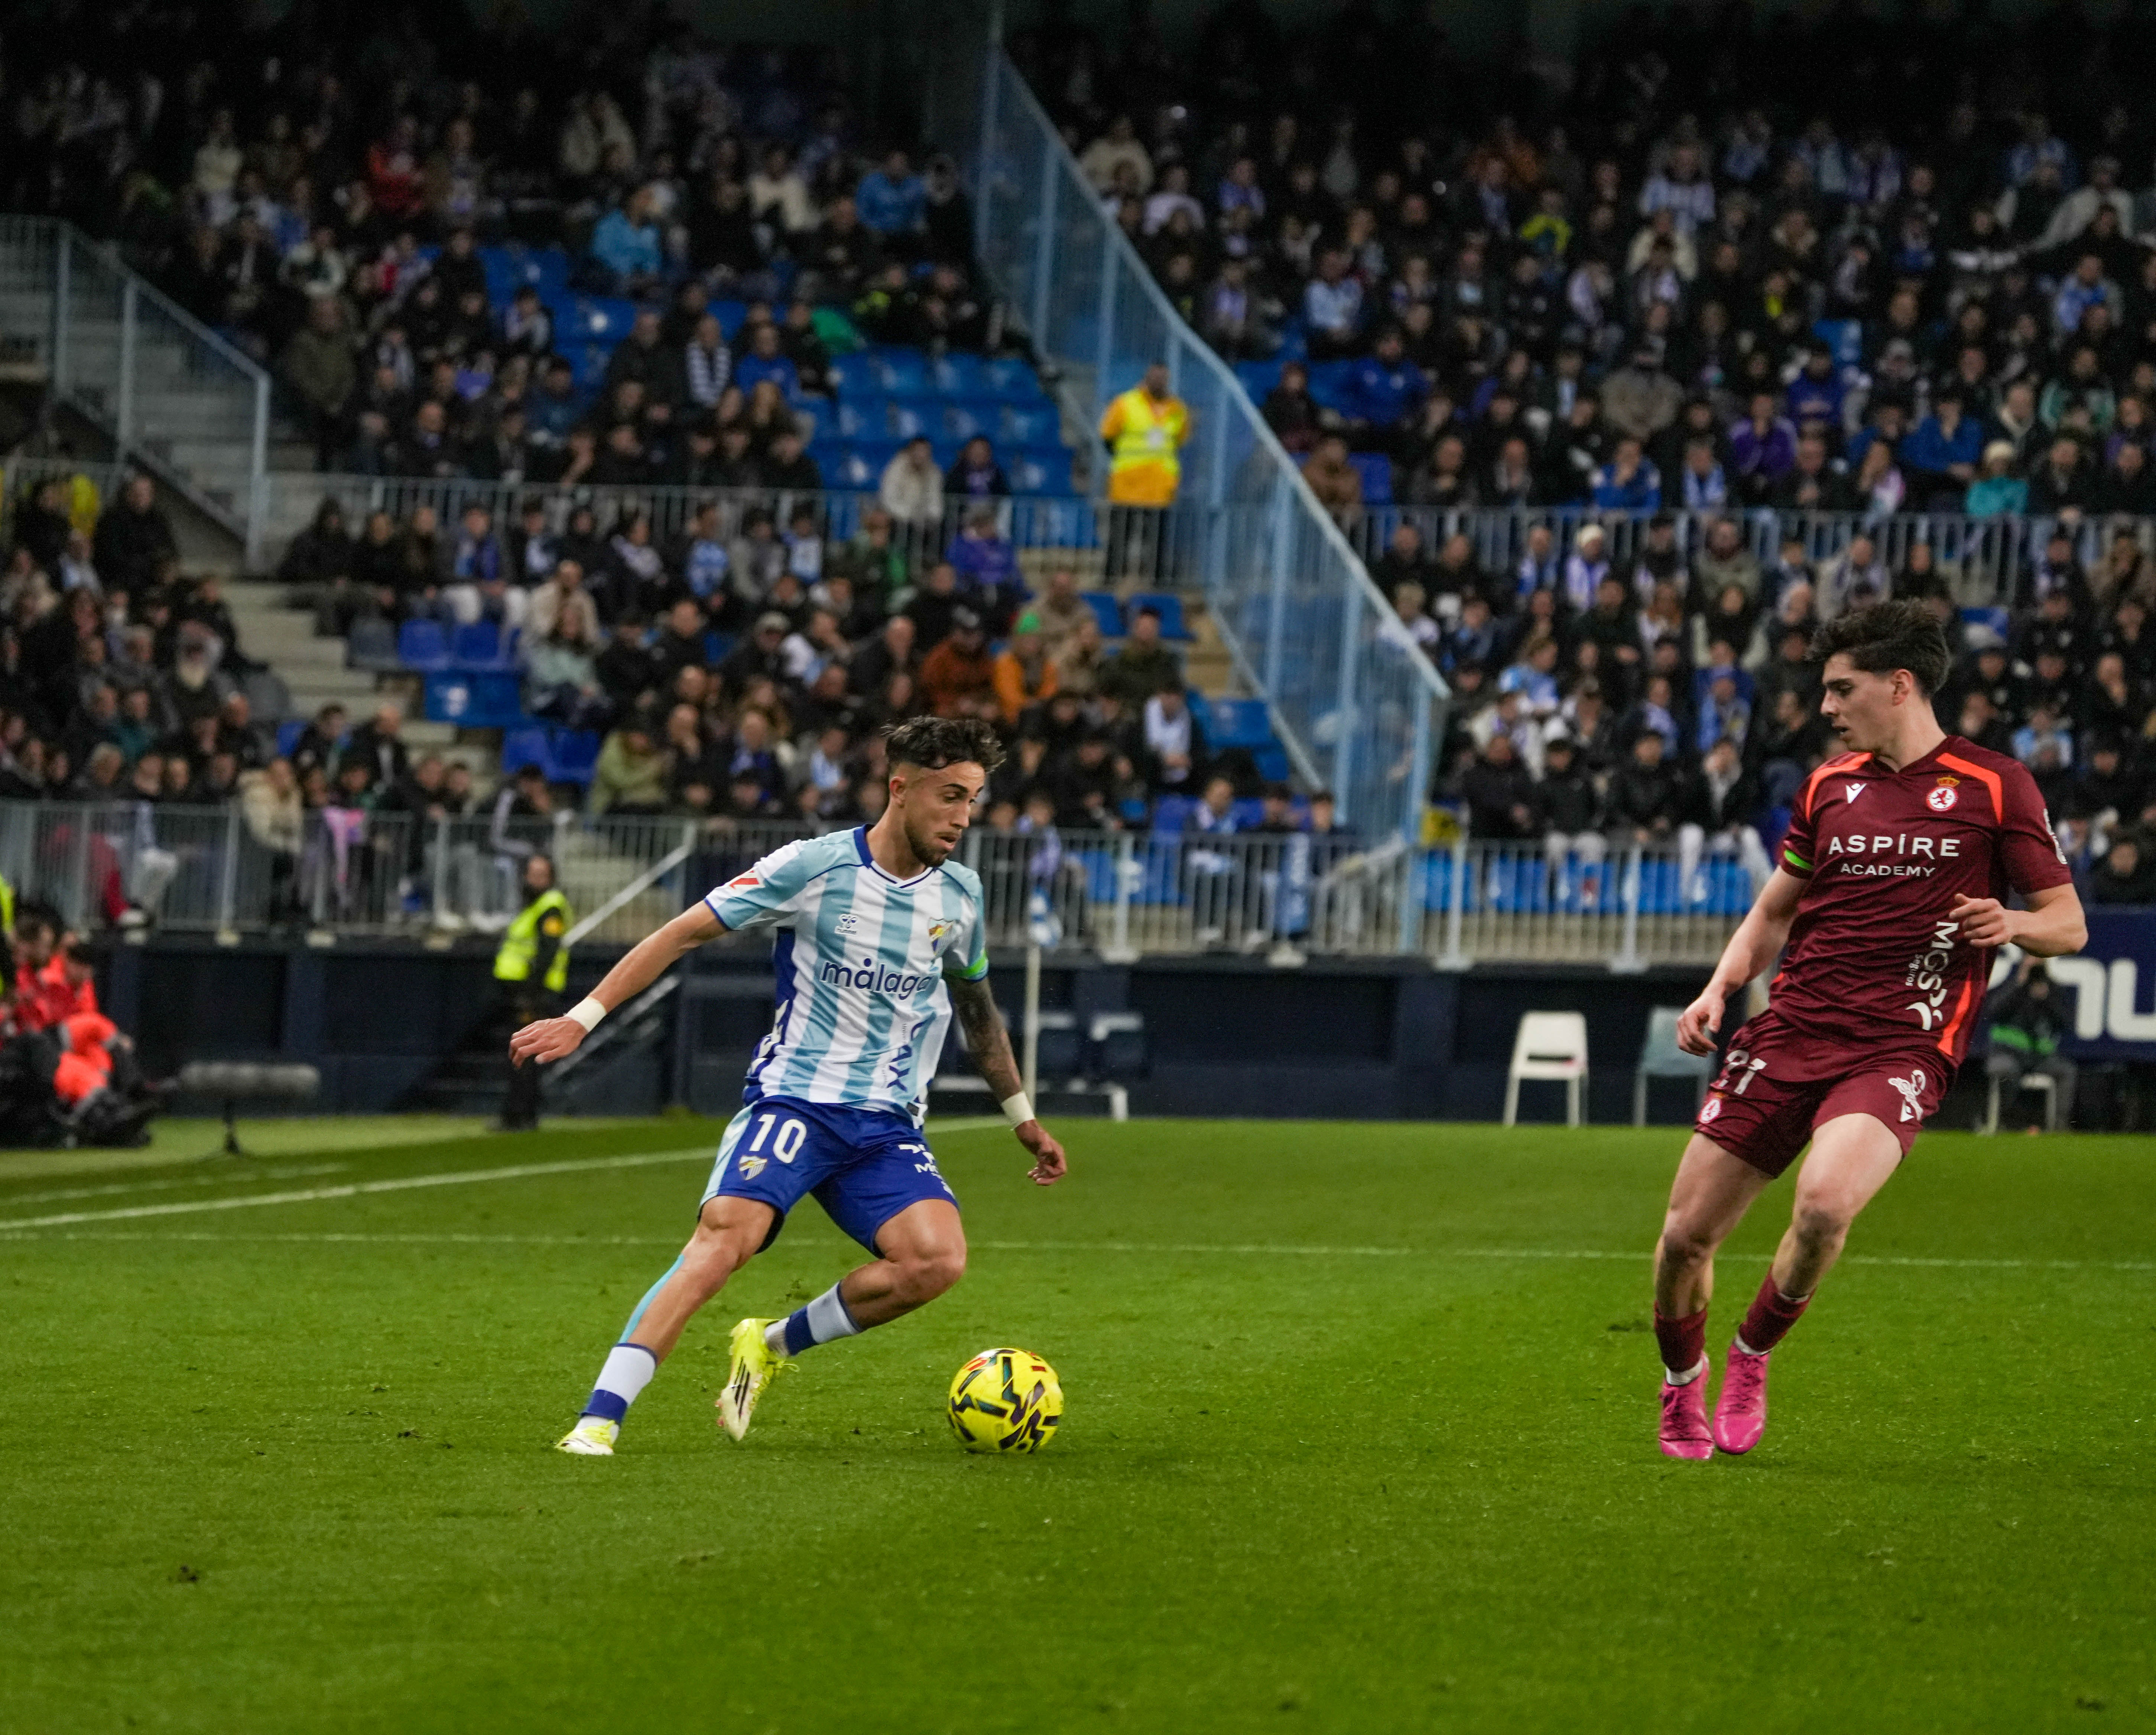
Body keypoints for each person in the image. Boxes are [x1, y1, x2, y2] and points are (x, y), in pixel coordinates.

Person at [521, 717, 1068, 1457]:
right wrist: (583, 1017)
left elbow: (979, 1013)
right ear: (898, 787)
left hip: (885, 1124)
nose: (963, 817)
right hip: (796, 1102)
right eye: (949, 796)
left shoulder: (960, 897)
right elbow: (679, 931)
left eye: (972, 798)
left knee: (937, 1260)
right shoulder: (810, 868)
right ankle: (599, 1417)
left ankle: (771, 1344)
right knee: (720, 1244)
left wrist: (1021, 1117)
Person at [1651, 601, 2085, 1461]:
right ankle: (1679, 1385)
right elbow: (1776, 910)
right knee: (1682, 1239)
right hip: (1791, 1030)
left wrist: (2012, 924)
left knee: (1821, 1205)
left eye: (1840, 688)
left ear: (1900, 684)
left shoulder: (1997, 785)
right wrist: (1719, 986)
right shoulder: (1828, 786)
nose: (1825, 706)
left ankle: (1750, 1356)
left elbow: (2067, 922)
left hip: (1900, 1045)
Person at [491, 851, 572, 1133]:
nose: (535, 880)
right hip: (521, 990)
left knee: (525, 1056)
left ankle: (521, 1115)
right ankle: (518, 1114)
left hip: (534, 992)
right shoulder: (534, 906)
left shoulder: (550, 907)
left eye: (542, 875)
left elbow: (547, 953)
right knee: (521, 1055)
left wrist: (531, 994)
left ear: (551, 879)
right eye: (532, 874)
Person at [1982, 959, 2078, 1130]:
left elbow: (2067, 1024)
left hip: (2040, 1058)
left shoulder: (2052, 991)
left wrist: (2047, 1000)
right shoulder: (2013, 987)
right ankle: (2002, 1122)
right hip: (2007, 1054)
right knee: (2004, 1071)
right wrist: (2019, 985)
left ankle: (2059, 1127)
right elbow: (1994, 1012)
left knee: (2066, 1071)